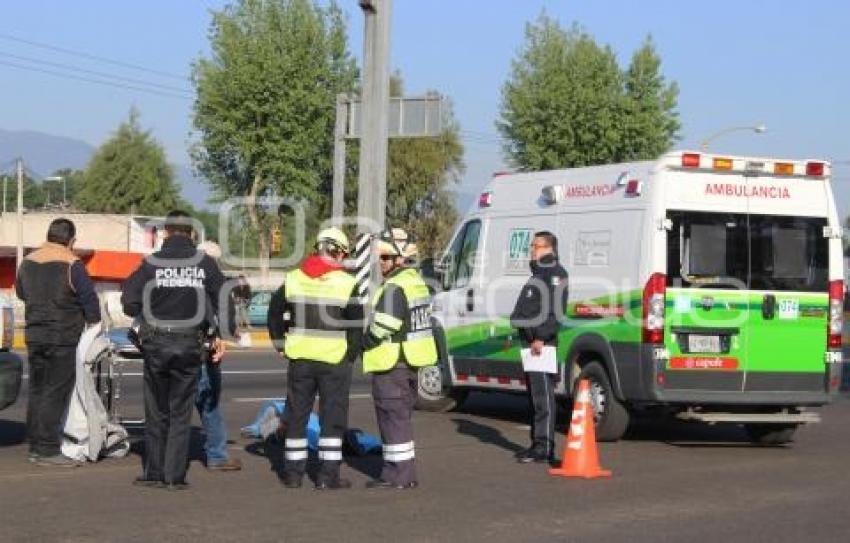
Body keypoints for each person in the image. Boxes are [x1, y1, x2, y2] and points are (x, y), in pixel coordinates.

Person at [121, 210, 229, 490]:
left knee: (157, 410)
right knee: (181, 411)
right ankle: (175, 477)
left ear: (166, 233)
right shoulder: (204, 263)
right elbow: (224, 299)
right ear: (192, 234)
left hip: (156, 343)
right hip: (190, 344)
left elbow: (129, 303)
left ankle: (154, 473)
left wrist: (152, 307)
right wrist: (220, 335)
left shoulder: (151, 263)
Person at [267, 227, 363, 490]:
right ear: (339, 252)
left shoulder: (294, 278)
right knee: (332, 418)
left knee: (297, 416)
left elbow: (274, 312)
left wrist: (280, 344)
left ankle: (293, 475)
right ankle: (327, 476)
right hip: (334, 362)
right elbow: (357, 325)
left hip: (300, 360)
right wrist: (350, 355)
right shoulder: (346, 283)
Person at [16, 218, 101, 467]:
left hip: (34, 334)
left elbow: (21, 292)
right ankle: (47, 449)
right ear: (71, 240)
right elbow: (88, 299)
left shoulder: (28, 261)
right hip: (63, 336)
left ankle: (35, 442)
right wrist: (94, 324)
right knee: (56, 391)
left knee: (37, 388)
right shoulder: (72, 263)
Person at [362, 228, 438, 490]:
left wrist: (362, 344)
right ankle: (401, 474)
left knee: (393, 420)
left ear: (398, 259)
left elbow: (383, 326)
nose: (380, 264)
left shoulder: (394, 288)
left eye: (385, 258)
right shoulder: (416, 283)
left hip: (392, 364)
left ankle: (398, 476)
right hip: (410, 363)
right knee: (400, 420)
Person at [509, 231, 569, 464]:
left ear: (549, 248)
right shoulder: (539, 273)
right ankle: (537, 443)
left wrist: (541, 337)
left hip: (540, 344)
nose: (531, 249)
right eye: (532, 245)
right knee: (534, 396)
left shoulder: (555, 274)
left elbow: (556, 312)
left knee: (543, 397)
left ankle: (545, 447)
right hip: (531, 342)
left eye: (536, 245)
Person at [194, 240, 241, 472]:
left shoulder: (180, 276)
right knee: (209, 404)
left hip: (175, 347)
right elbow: (227, 316)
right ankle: (217, 455)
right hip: (206, 348)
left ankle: (167, 455)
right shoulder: (217, 281)